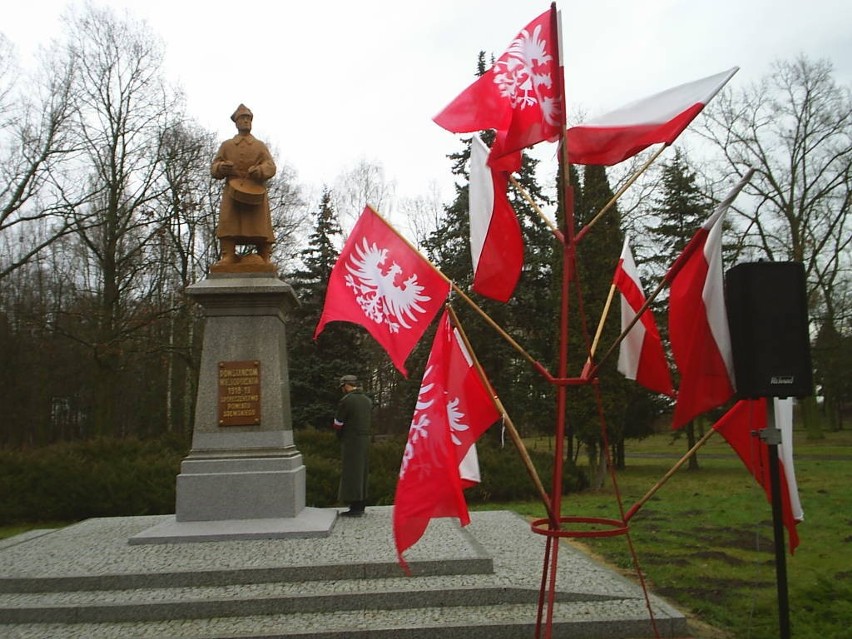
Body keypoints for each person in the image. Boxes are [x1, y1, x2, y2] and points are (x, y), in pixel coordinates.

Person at [210, 104, 276, 270]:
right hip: (233, 190)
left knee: (260, 224)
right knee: (229, 221)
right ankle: (228, 254)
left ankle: (264, 255)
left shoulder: (259, 145)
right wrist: (221, 167)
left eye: (248, 118)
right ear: (236, 123)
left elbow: (271, 166)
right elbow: (214, 166)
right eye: (242, 118)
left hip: (255, 190)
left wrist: (260, 170)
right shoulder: (227, 145)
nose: (246, 121)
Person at [332, 374, 372, 517]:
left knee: (352, 472)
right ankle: (361, 503)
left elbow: (338, 423)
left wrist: (339, 436)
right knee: (362, 471)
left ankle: (354, 507)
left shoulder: (347, 401)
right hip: (365, 439)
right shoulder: (367, 400)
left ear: (346, 385)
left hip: (351, 440)